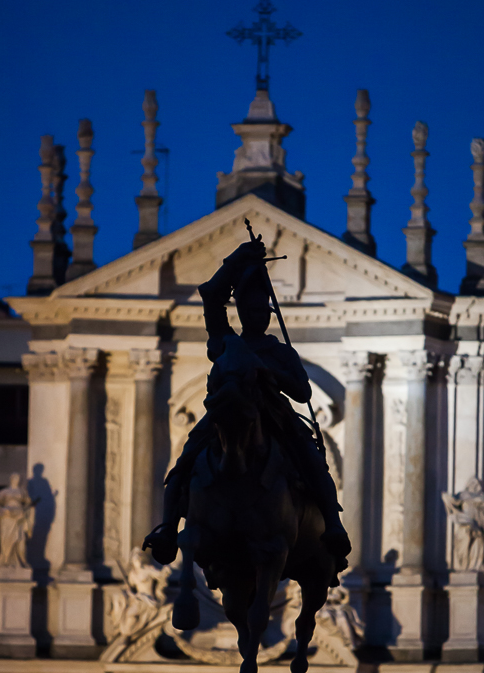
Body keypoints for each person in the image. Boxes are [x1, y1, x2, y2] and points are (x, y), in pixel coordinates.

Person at [145, 237, 351, 566]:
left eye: (263, 311)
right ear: (240, 312)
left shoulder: (282, 352)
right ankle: (168, 528)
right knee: (183, 464)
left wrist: (268, 371)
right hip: (224, 415)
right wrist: (235, 259)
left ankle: (334, 525)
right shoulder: (225, 343)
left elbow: (303, 392)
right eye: (251, 310)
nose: (258, 316)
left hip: (275, 418)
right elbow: (212, 296)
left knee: (312, 463)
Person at [0, 473, 35, 569]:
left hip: (19, 516)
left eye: (18, 478)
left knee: (20, 539)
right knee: (7, 539)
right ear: (11, 479)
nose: (16, 480)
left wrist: (26, 511)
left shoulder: (22, 491)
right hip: (7, 517)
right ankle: (6, 560)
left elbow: (28, 503)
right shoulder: (5, 492)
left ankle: (19, 561)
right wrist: (2, 511)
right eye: (15, 478)